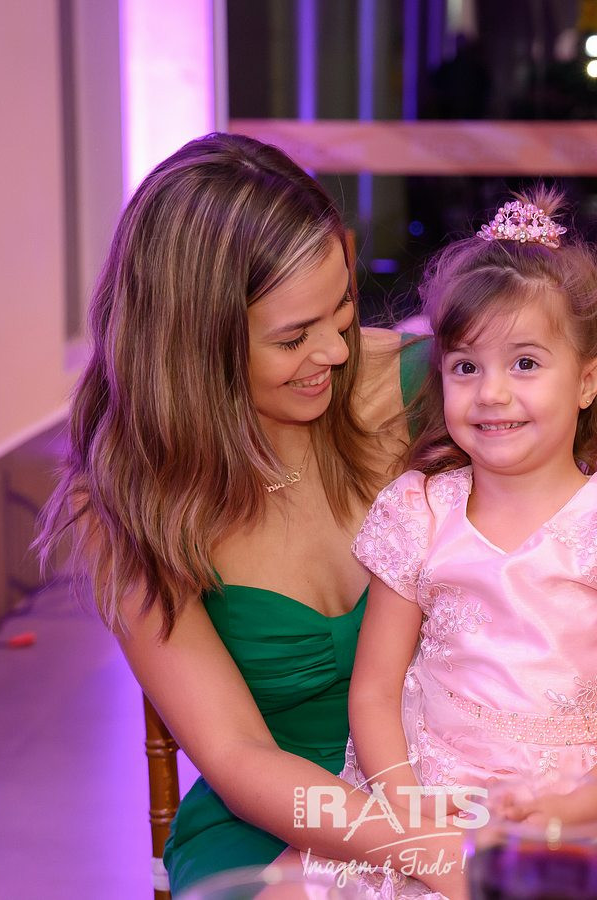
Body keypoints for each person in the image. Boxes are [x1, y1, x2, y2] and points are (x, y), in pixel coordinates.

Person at [36, 133, 465, 897]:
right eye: (293, 337)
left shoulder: (421, 391)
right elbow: (236, 755)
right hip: (273, 809)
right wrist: (435, 856)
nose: (335, 351)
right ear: (191, 347)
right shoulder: (128, 497)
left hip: (464, 767)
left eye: (341, 308)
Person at [345, 190, 597, 899]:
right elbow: (376, 688)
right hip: (439, 801)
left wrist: (593, 801)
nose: (491, 393)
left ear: (587, 380)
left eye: (525, 364)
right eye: (466, 366)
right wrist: (407, 811)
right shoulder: (418, 512)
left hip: (593, 800)